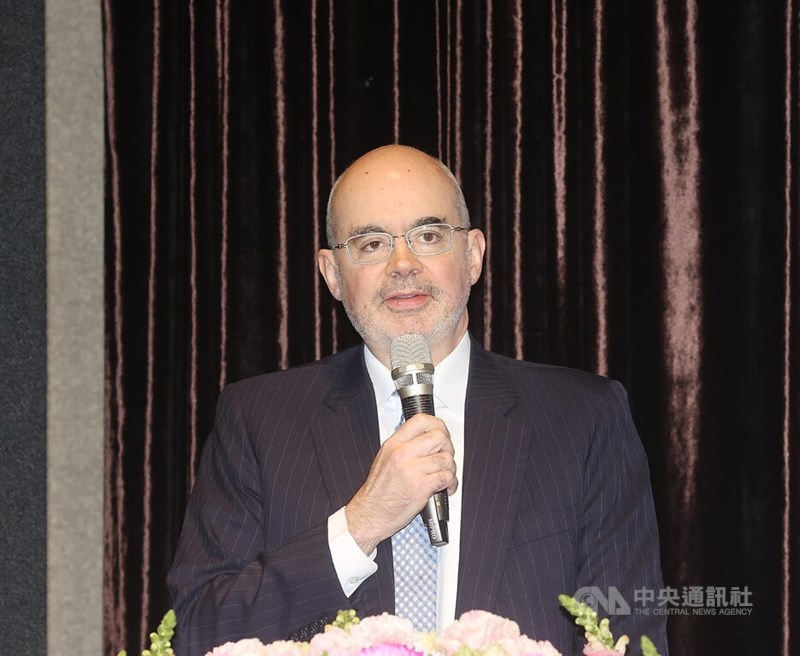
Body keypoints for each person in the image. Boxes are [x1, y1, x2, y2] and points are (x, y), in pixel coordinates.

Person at [167, 145, 668, 655]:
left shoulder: (582, 417)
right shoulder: (259, 421)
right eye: (370, 243)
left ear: (472, 255)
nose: (403, 264)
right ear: (332, 274)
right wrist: (359, 525)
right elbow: (198, 632)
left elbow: (629, 636)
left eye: (428, 237)